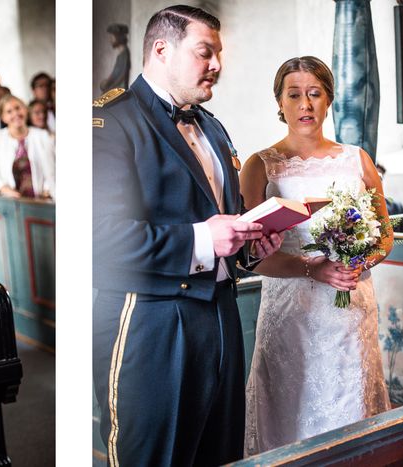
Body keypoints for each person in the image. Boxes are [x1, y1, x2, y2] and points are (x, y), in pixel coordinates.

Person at [92, 6, 283, 466]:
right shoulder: (110, 123)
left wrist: (250, 244)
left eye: (219, 53)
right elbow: (99, 237)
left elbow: (220, 218)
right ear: (162, 49)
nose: (217, 64)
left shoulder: (212, 126)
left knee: (221, 453)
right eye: (205, 52)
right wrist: (203, 240)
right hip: (151, 320)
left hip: (221, 316)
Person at [241, 56, 392, 455]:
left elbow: (385, 236)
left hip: (350, 310)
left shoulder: (357, 159)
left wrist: (357, 262)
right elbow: (249, 255)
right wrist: (313, 270)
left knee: (352, 408)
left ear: (329, 100)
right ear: (280, 102)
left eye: (315, 93)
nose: (305, 104)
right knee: (289, 414)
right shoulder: (260, 166)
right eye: (294, 95)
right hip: (292, 314)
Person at [0, 95, 55, 199]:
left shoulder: (43, 136)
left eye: (18, 108)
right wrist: (4, 189)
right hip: (9, 201)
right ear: (3, 117)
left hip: (42, 200)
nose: (15, 113)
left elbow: (53, 168)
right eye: (9, 111)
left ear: (25, 109)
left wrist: (47, 190)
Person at [99, 23, 131, 92]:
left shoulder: (124, 55)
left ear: (118, 37)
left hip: (119, 92)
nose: (110, 40)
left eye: (112, 37)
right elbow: (115, 74)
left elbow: (121, 77)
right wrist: (107, 82)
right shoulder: (121, 55)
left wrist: (108, 86)